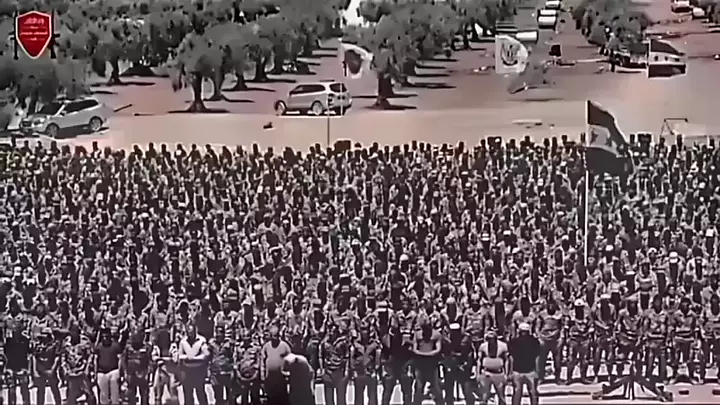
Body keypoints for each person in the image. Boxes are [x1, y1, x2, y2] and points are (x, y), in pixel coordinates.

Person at [177, 324, 211, 405]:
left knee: (201, 394)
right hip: (187, 372)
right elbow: (180, 356)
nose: (190, 334)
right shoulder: (183, 342)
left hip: (198, 372)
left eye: (192, 332)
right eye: (188, 332)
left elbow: (206, 355)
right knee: (188, 396)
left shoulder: (201, 340)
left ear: (195, 331)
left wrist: (192, 358)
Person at [411, 322, 444, 405]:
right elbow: (415, 349)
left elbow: (438, 349)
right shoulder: (418, 334)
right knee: (419, 387)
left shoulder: (436, 334)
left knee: (436, 387)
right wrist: (425, 354)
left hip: (432, 365)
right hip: (420, 364)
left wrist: (425, 354)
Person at [509, 322, 540, 405]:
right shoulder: (535, 341)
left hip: (517, 371)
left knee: (517, 393)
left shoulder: (513, 341)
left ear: (519, 331)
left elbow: (511, 358)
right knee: (533, 393)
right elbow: (537, 357)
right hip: (530, 370)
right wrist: (537, 371)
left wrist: (510, 372)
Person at [261, 325, 292, 405]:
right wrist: (262, 375)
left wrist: (289, 374)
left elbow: (291, 361)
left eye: (277, 336)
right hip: (269, 379)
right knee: (271, 400)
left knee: (282, 400)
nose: (275, 338)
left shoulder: (284, 346)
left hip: (281, 379)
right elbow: (262, 362)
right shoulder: (266, 347)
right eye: (273, 336)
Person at [123, 328, 153, 405]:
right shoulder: (128, 347)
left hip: (143, 373)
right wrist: (124, 373)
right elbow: (123, 360)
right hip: (130, 374)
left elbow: (150, 361)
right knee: (131, 396)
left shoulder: (147, 347)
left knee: (144, 395)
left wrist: (149, 373)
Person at [477, 329, 508, 405]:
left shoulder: (503, 346)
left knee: (501, 396)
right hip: (486, 372)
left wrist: (506, 374)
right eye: (489, 339)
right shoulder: (483, 346)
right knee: (484, 397)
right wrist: (478, 373)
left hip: (499, 373)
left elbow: (507, 360)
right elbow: (479, 360)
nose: (491, 340)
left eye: (492, 338)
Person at [96, 328, 123, 405]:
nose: (105, 338)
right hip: (101, 372)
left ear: (110, 336)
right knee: (103, 397)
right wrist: (95, 373)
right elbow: (95, 360)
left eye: (107, 336)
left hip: (113, 371)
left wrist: (120, 372)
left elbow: (120, 359)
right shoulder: (98, 347)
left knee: (115, 396)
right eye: (103, 337)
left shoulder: (116, 346)